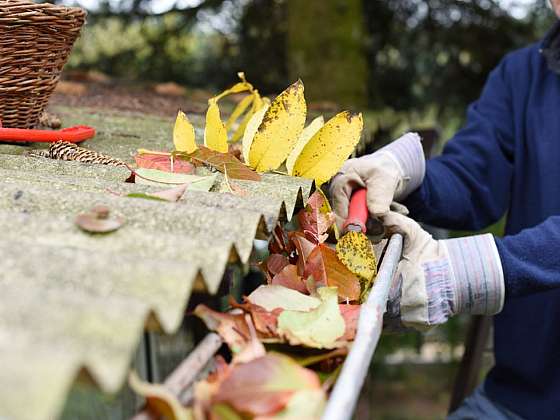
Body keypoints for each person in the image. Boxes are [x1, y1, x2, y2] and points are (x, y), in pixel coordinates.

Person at [330, 3, 560, 419]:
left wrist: (460, 272)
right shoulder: (523, 75)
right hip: (515, 401)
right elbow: (474, 178)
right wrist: (405, 172)